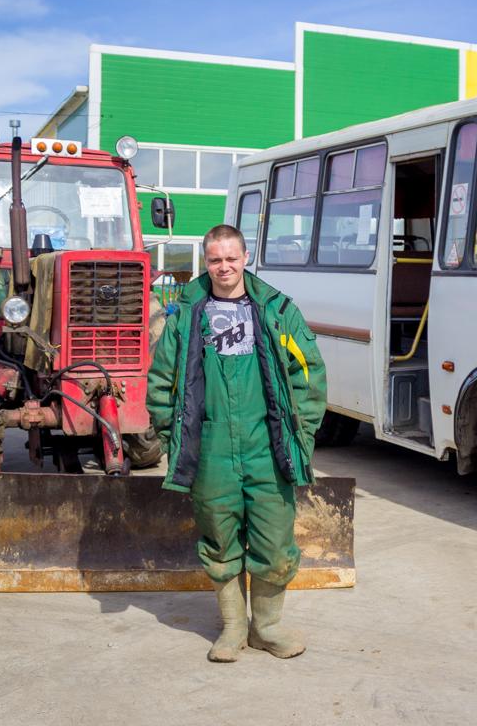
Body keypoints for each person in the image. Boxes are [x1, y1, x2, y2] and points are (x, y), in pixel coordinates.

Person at [147, 224, 326, 662]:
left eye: (231, 258)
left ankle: (267, 627)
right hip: (212, 452)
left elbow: (308, 375)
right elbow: (161, 382)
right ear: (205, 263)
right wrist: (178, 440)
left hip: (268, 447)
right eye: (214, 260)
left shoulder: (277, 311)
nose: (223, 267)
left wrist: (300, 436)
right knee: (220, 540)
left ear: (245, 257)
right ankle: (232, 628)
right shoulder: (187, 316)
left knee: (274, 541)